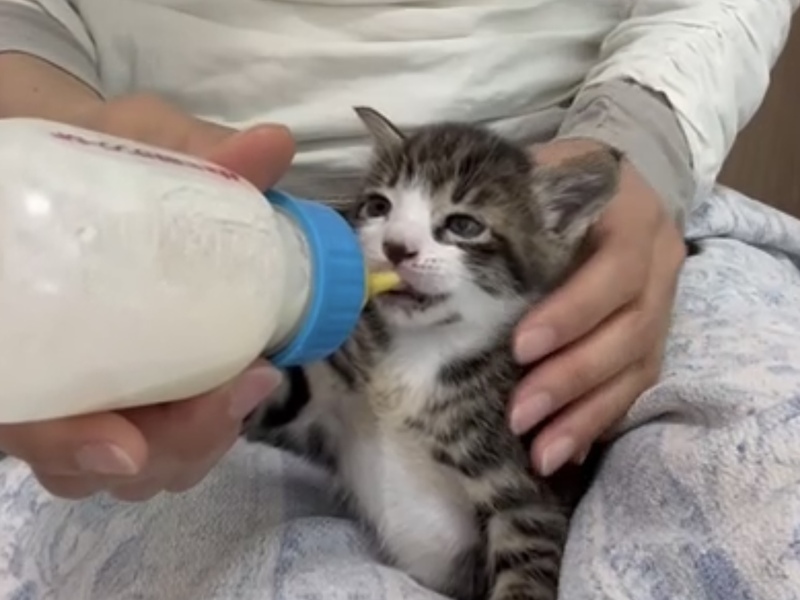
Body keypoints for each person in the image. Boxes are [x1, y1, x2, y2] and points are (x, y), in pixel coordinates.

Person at [0, 1, 798, 598]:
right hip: (231, 238)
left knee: (763, 501)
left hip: (629, 217)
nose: (403, 245)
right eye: (383, 210)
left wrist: (646, 134)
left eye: (458, 226)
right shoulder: (362, 308)